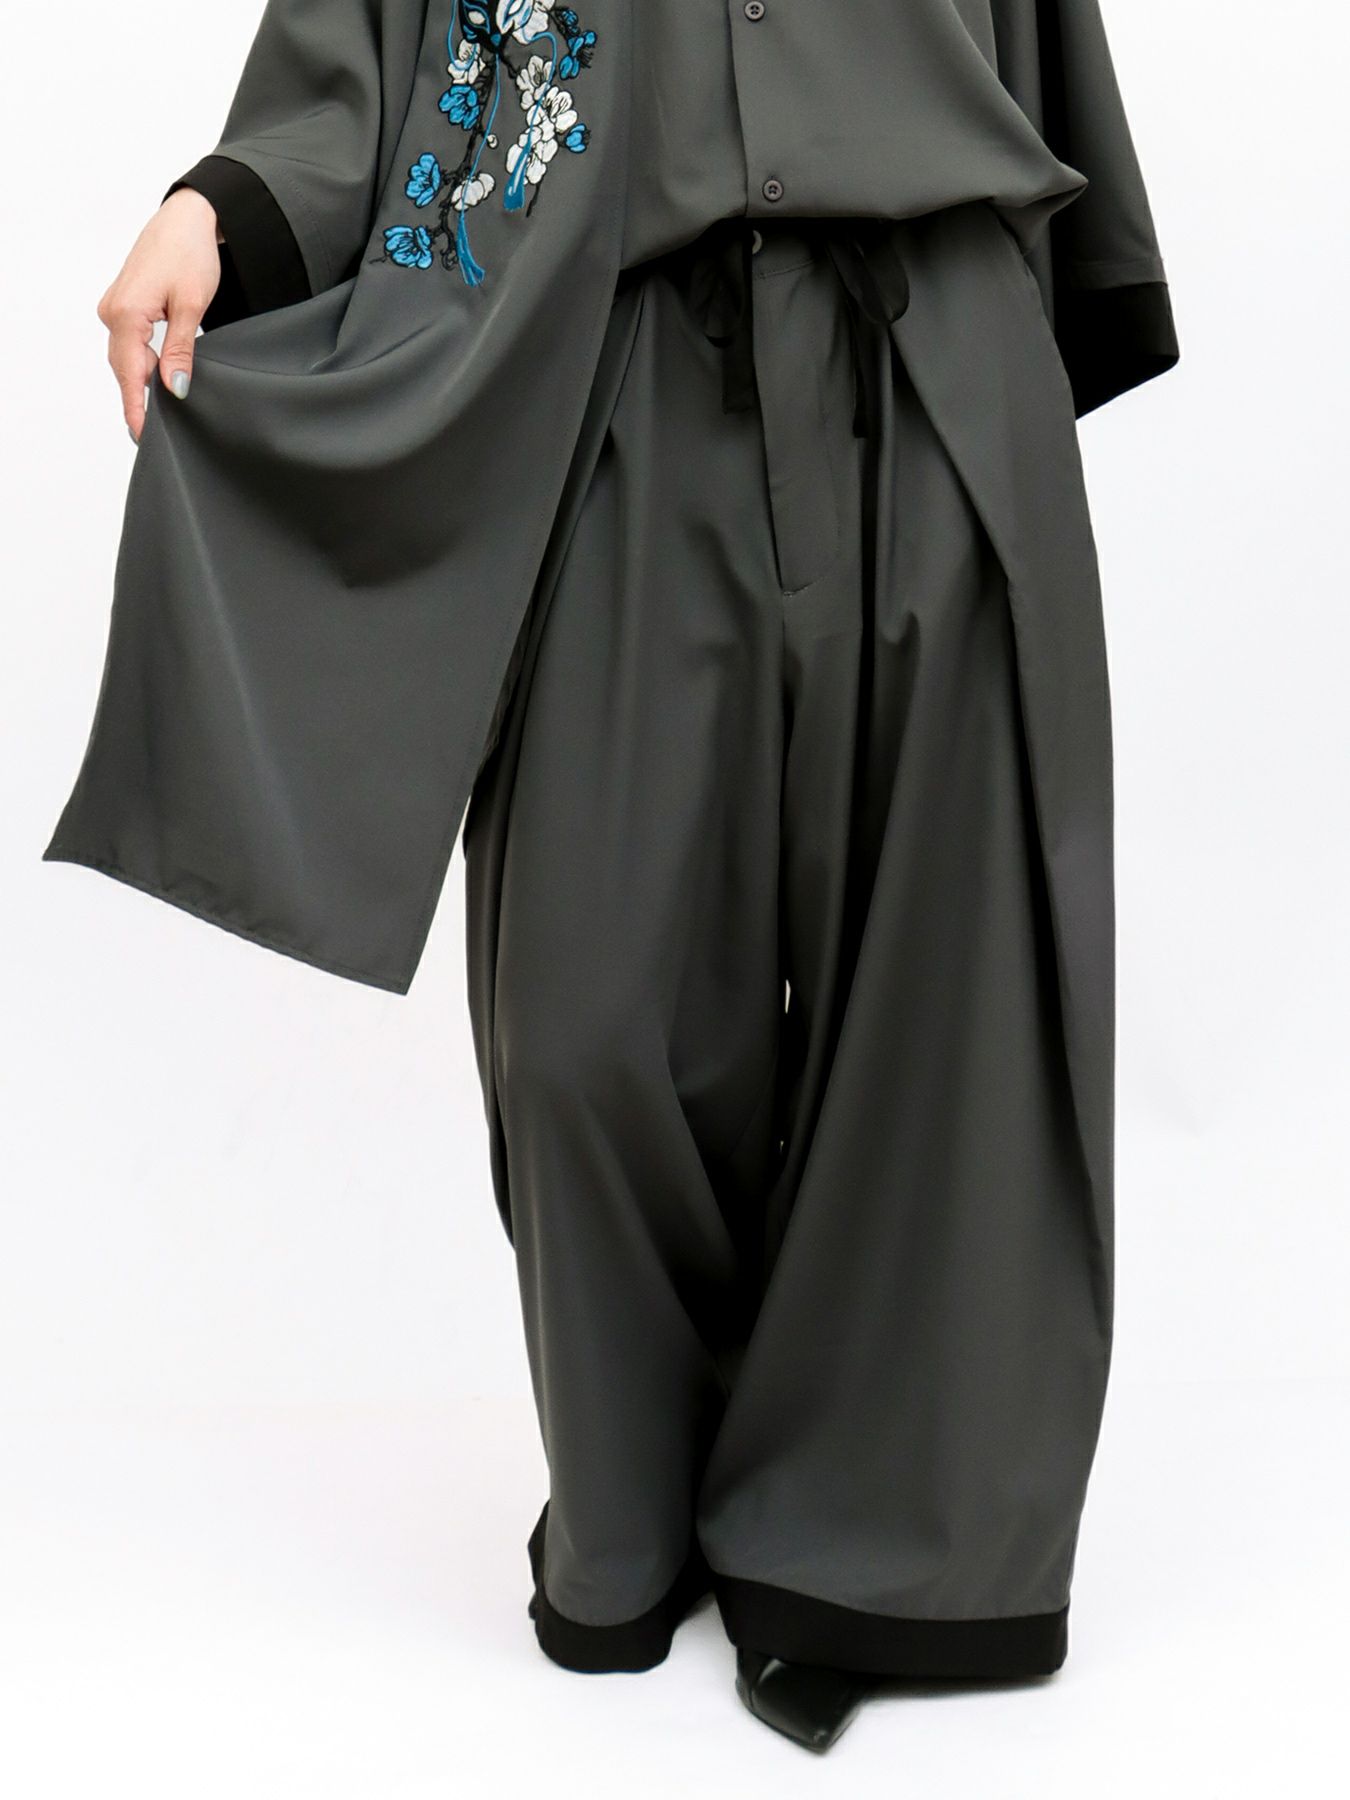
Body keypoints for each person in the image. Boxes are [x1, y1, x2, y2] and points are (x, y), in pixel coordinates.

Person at [47, 0, 1178, 1753]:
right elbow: (367, 45)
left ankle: (881, 1545)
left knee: (946, 986)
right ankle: (648, 1492)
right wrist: (216, 209)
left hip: (931, 341)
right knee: (584, 1013)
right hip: (611, 370)